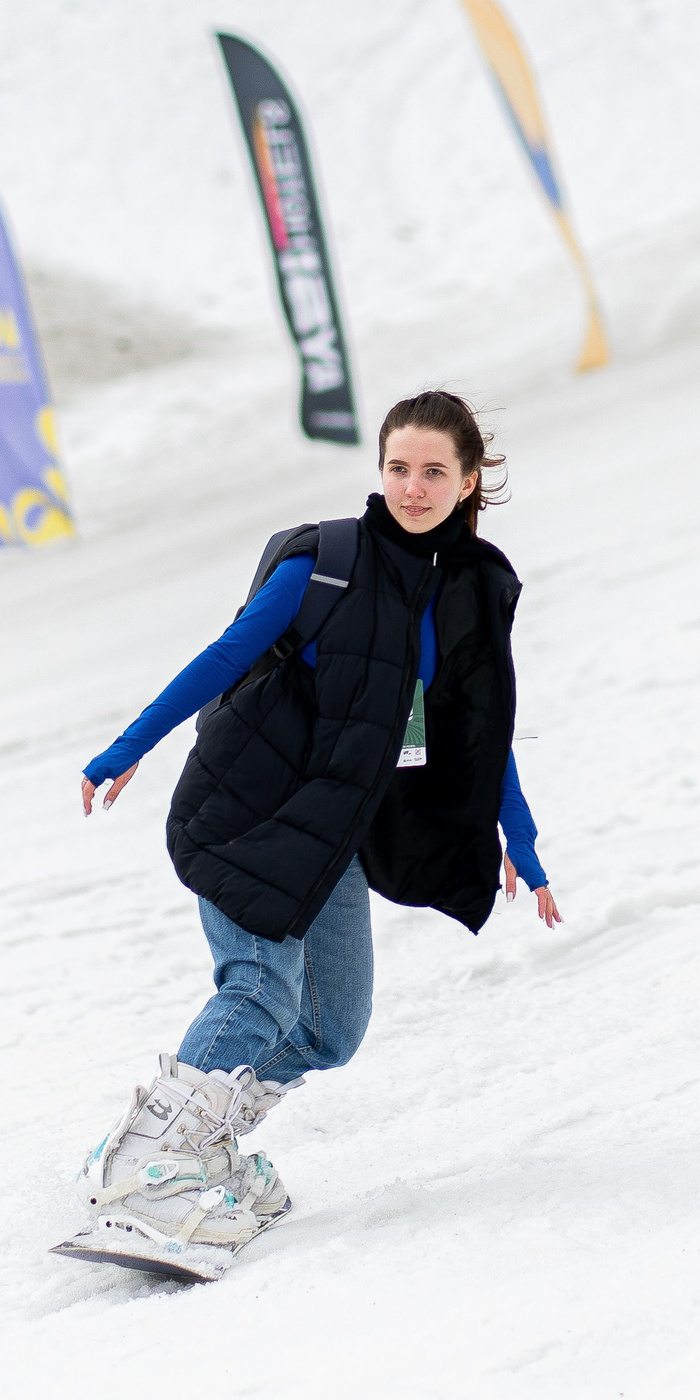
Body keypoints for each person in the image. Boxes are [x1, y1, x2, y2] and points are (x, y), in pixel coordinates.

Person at [54, 390, 561, 1281]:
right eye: (398, 467)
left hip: (333, 831)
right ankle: (142, 1175)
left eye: (433, 471)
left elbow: (482, 728)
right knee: (258, 991)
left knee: (330, 1027)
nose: (411, 486)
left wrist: (517, 839)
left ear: (468, 481)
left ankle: (188, 1139)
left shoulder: (472, 592)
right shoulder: (329, 562)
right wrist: (129, 747)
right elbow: (226, 655)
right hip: (247, 804)